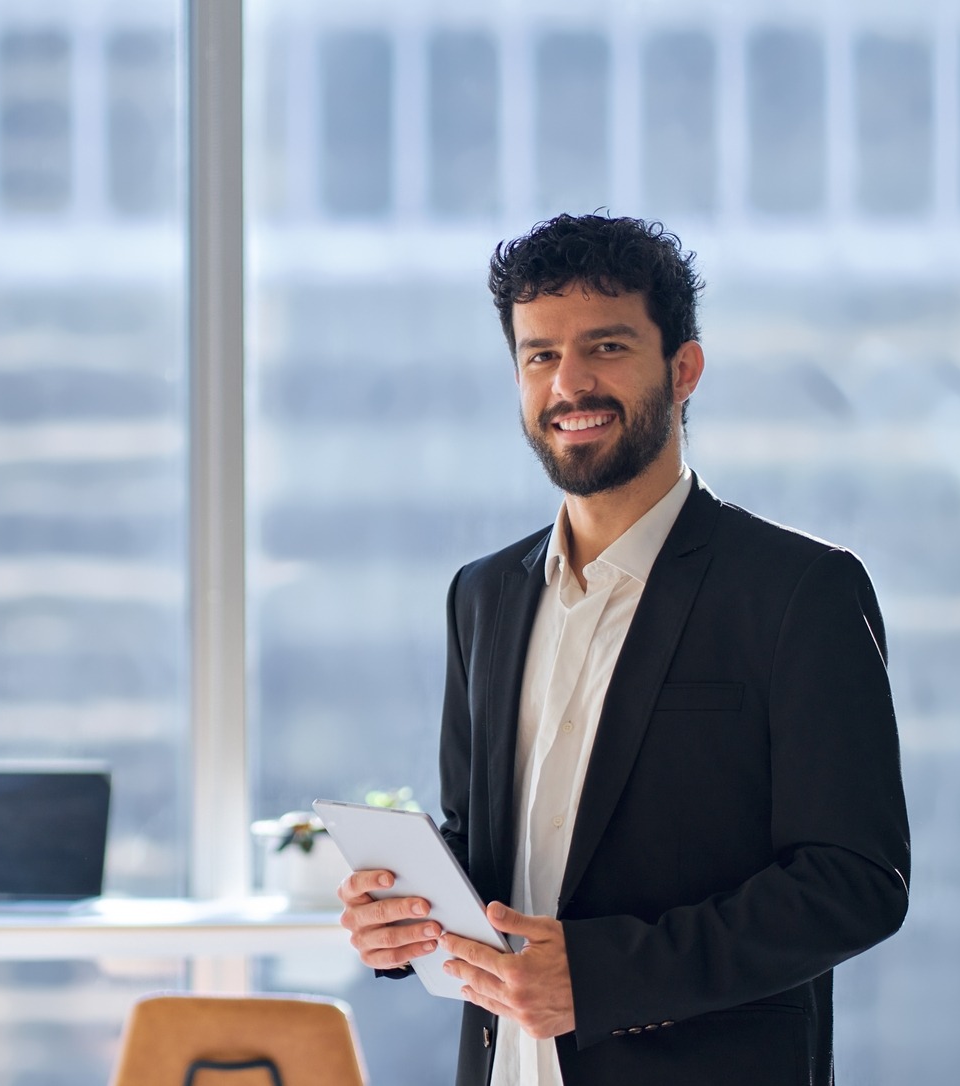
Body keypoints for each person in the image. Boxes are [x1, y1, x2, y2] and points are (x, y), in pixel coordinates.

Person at [336, 213, 910, 1086]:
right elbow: (490, 851)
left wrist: (602, 979)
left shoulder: (798, 593)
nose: (570, 384)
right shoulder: (482, 596)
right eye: (539, 356)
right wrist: (406, 917)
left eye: (606, 347)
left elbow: (854, 882)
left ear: (683, 370)